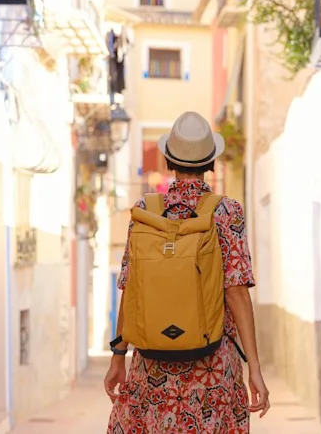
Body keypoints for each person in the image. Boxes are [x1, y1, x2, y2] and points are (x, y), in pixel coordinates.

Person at [105, 111, 270, 433]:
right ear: (210, 163)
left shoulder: (145, 212)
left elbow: (130, 289)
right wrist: (255, 368)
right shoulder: (226, 211)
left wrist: (118, 357)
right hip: (213, 368)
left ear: (169, 160)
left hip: (152, 369)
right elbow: (236, 291)